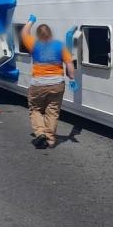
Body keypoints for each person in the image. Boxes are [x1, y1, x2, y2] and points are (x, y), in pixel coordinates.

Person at [21, 15, 78, 149]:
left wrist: (31, 21)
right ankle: (51, 139)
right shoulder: (60, 45)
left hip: (38, 84)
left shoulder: (33, 44)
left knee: (35, 109)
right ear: (51, 33)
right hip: (57, 84)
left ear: (38, 34)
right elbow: (69, 63)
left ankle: (40, 133)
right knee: (52, 111)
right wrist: (72, 78)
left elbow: (24, 33)